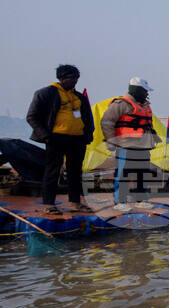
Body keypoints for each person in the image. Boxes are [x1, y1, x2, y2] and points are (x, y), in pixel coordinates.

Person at [26, 64, 95, 214]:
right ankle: (49, 204)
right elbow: (32, 117)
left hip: (77, 139)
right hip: (56, 138)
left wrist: (88, 135)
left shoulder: (79, 97)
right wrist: (45, 136)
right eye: (72, 78)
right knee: (53, 171)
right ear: (62, 78)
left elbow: (88, 118)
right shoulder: (46, 93)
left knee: (75, 172)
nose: (75, 81)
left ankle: (75, 203)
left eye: (77, 78)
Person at [100, 77, 160, 212]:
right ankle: (119, 201)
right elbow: (107, 122)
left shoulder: (144, 105)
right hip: (126, 145)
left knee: (142, 173)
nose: (147, 93)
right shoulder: (120, 104)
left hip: (143, 145)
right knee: (123, 173)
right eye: (145, 91)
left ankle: (141, 199)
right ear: (137, 90)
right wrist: (111, 141)